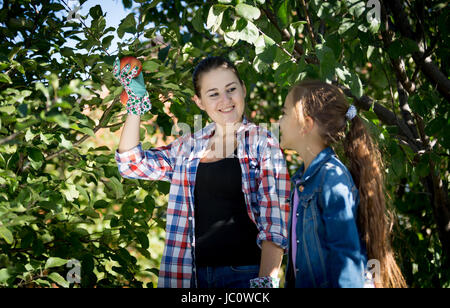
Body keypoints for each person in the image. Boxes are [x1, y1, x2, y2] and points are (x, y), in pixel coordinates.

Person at [112, 56, 290, 288]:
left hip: (245, 277)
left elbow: (275, 223)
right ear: (199, 102)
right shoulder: (188, 146)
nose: (225, 100)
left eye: (231, 89)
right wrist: (135, 105)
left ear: (243, 89)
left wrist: (266, 284)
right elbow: (131, 164)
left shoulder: (262, 142)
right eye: (213, 94)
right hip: (190, 277)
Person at [279, 80, 406, 288]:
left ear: (307, 124)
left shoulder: (331, 178)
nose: (279, 121)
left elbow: (346, 258)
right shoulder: (302, 182)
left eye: (284, 113)